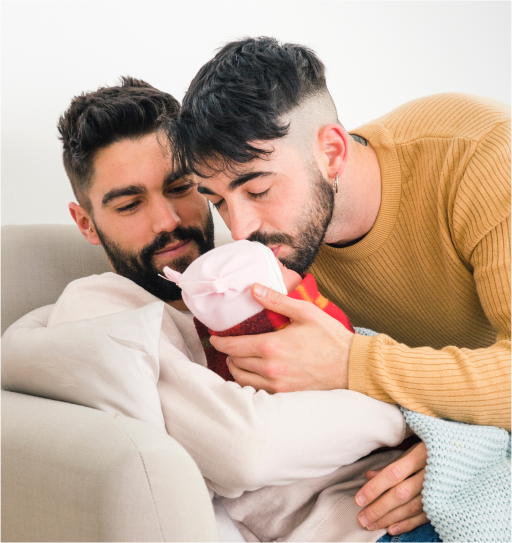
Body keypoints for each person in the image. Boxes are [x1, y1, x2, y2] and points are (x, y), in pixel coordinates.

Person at [0, 77, 432, 542]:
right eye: (129, 204)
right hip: (373, 527)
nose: (168, 222)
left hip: (437, 493)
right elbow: (246, 448)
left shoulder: (263, 261)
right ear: (86, 222)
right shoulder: (103, 310)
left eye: (180, 187)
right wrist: (407, 411)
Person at [169, 36, 512, 533]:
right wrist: (447, 442)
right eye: (219, 201)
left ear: (332, 152)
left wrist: (353, 362)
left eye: (259, 189)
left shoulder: (483, 158)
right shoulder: (279, 249)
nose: (241, 229)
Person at [161, 239, 354, 381]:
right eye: (282, 267)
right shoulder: (317, 317)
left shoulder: (227, 365)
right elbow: (351, 338)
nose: (292, 268)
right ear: (270, 298)